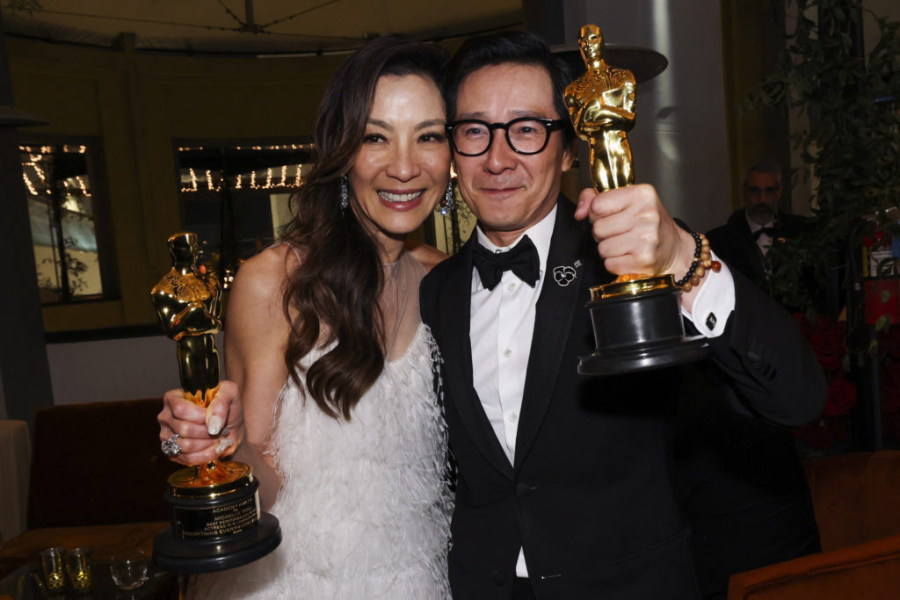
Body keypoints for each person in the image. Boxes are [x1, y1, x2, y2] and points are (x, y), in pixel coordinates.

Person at [420, 31, 826, 599]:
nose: (497, 157)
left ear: (568, 151)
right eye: (473, 131)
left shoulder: (632, 259)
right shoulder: (435, 292)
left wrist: (682, 257)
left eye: (527, 130)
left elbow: (798, 396)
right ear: (453, 151)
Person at [156, 36, 453, 598]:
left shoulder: (446, 282)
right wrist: (221, 448)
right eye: (375, 137)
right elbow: (262, 478)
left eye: (429, 137)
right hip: (295, 581)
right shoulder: (272, 283)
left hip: (419, 577)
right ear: (342, 152)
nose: (406, 167)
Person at [706, 159, 808, 284]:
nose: (762, 199)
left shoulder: (801, 232)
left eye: (769, 191)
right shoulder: (718, 241)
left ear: (779, 192)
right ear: (743, 192)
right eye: (755, 190)